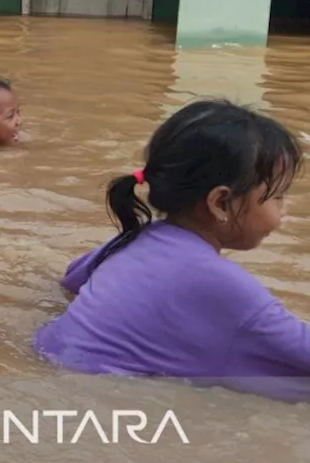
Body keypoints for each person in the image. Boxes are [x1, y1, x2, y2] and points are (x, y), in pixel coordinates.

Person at [34, 100, 310, 401]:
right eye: (278, 196)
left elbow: (71, 282)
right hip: (98, 400)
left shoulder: (133, 239)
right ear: (220, 203)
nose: (285, 210)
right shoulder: (218, 281)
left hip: (45, 363)